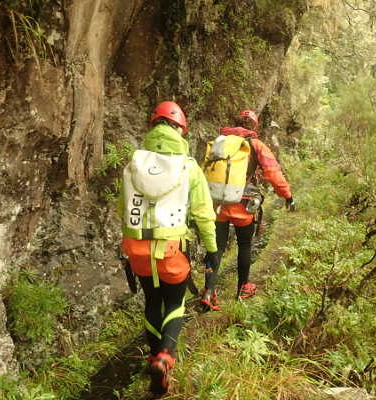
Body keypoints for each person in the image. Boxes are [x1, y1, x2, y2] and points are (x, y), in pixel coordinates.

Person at [119, 101, 219, 397]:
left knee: (152, 299)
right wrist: (212, 249)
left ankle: (152, 358)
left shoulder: (133, 164)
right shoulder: (188, 167)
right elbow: (203, 213)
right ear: (181, 130)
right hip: (172, 250)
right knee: (175, 303)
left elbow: (121, 207)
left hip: (136, 248)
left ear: (153, 127)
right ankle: (164, 357)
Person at [200, 109, 294, 311]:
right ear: (253, 126)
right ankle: (243, 288)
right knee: (244, 245)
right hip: (243, 205)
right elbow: (272, 171)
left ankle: (208, 291)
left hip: (218, 204)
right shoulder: (255, 144)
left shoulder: (219, 142)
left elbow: (204, 171)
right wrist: (287, 196)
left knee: (216, 247)